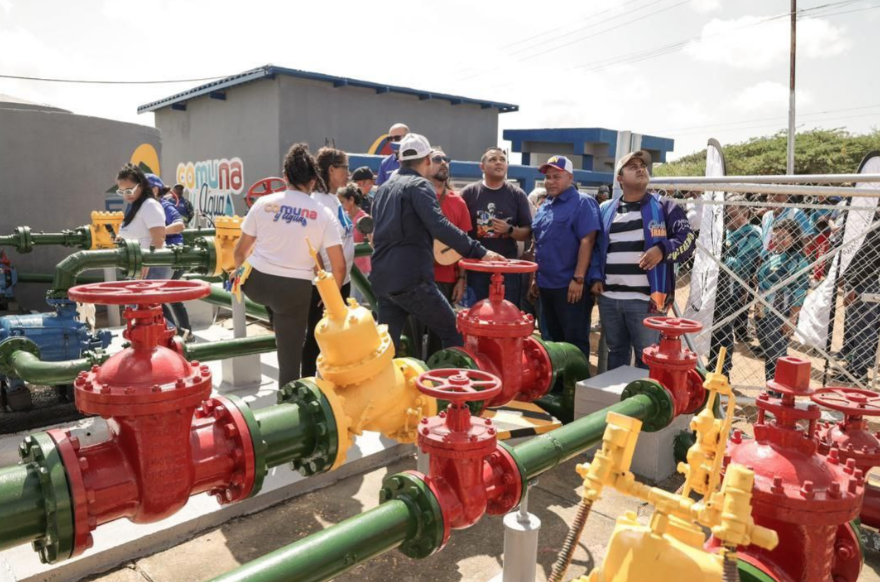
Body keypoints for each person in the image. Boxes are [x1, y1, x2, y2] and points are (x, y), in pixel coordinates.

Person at [370, 133, 502, 351]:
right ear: (428, 160)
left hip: (382, 280)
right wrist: (479, 251)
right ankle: (449, 384)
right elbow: (439, 225)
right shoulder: (419, 185)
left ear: (400, 160)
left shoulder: (383, 189)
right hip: (412, 281)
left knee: (385, 347)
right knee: (454, 331)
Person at [234, 144, 344, 386]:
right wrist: (328, 297)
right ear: (314, 181)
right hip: (294, 292)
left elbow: (239, 252)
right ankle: (287, 405)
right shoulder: (324, 213)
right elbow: (338, 267)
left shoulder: (263, 204)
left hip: (255, 284)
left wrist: (237, 279)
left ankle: (270, 313)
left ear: (285, 177)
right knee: (290, 362)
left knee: (248, 284)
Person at [589, 150, 695, 370]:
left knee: (647, 358)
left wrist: (662, 249)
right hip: (609, 299)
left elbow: (687, 240)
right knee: (615, 354)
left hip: (646, 302)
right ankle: (618, 402)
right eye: (632, 166)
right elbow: (597, 249)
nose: (640, 169)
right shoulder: (606, 209)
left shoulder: (665, 206)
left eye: (643, 165)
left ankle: (643, 402)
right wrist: (596, 276)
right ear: (619, 178)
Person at [531, 156, 601, 360]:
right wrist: (536, 278)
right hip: (546, 285)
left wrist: (578, 279)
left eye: (557, 176)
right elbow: (540, 241)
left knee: (573, 342)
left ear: (570, 177)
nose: (551, 181)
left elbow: (587, 241)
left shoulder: (582, 202)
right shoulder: (546, 205)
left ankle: (574, 389)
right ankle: (557, 389)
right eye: (548, 177)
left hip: (570, 287)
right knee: (550, 342)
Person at [301, 147, 355, 377]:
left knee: (335, 339)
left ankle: (330, 383)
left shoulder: (333, 200)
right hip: (326, 286)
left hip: (341, 281)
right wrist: (326, 287)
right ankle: (308, 385)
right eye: (345, 168)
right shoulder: (318, 203)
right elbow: (310, 248)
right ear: (331, 169)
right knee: (317, 338)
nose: (348, 174)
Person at [460, 147, 532, 306]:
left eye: (502, 160)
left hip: (508, 269)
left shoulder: (517, 194)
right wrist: (461, 276)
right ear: (482, 166)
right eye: (493, 159)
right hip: (477, 268)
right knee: (477, 315)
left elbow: (528, 232)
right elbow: (458, 232)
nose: (499, 162)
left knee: (506, 316)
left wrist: (510, 230)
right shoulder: (469, 193)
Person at [708, 195, 763, 378]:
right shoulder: (725, 232)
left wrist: (719, 256)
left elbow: (740, 266)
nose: (727, 220)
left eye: (731, 216)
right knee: (712, 329)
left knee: (723, 330)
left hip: (733, 290)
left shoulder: (753, 235)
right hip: (714, 287)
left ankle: (722, 371)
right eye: (725, 216)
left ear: (744, 212)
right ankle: (712, 366)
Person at [425, 146, 472, 356]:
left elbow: (465, 244)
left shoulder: (458, 202)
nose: (444, 162)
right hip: (417, 277)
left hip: (446, 278)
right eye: (437, 159)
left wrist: (461, 279)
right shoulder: (414, 196)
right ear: (425, 163)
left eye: (446, 159)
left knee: (441, 337)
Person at [755, 218, 810, 382]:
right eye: (775, 236)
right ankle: (771, 386)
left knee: (776, 353)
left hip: (781, 309)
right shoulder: (770, 255)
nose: (777, 240)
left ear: (794, 238)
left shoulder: (798, 260)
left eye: (783, 237)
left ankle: (778, 391)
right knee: (768, 349)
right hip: (761, 307)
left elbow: (800, 291)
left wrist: (791, 318)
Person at [146, 173, 193, 340]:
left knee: (161, 297)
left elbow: (180, 225)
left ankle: (179, 333)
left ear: (155, 190)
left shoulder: (164, 206)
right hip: (160, 256)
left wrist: (159, 231)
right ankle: (180, 333)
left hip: (173, 256)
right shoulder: (147, 208)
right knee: (162, 297)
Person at [837, 210, 880, 383]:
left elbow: (865, 258)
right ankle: (855, 366)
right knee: (857, 326)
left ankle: (859, 371)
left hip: (866, 281)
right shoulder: (868, 220)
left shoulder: (874, 224)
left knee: (863, 327)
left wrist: (852, 283)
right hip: (862, 279)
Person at [115, 164, 167, 282]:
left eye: (129, 190)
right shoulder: (135, 205)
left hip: (150, 267)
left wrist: (148, 261)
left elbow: (159, 238)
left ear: (141, 185)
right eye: (121, 191)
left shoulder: (150, 205)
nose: (126, 195)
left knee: (149, 301)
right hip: (138, 266)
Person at [338, 183, 372, 306]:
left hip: (360, 268)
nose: (339, 205)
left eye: (342, 202)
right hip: (346, 266)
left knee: (354, 303)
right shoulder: (344, 217)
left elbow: (373, 241)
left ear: (351, 200)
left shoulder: (364, 218)